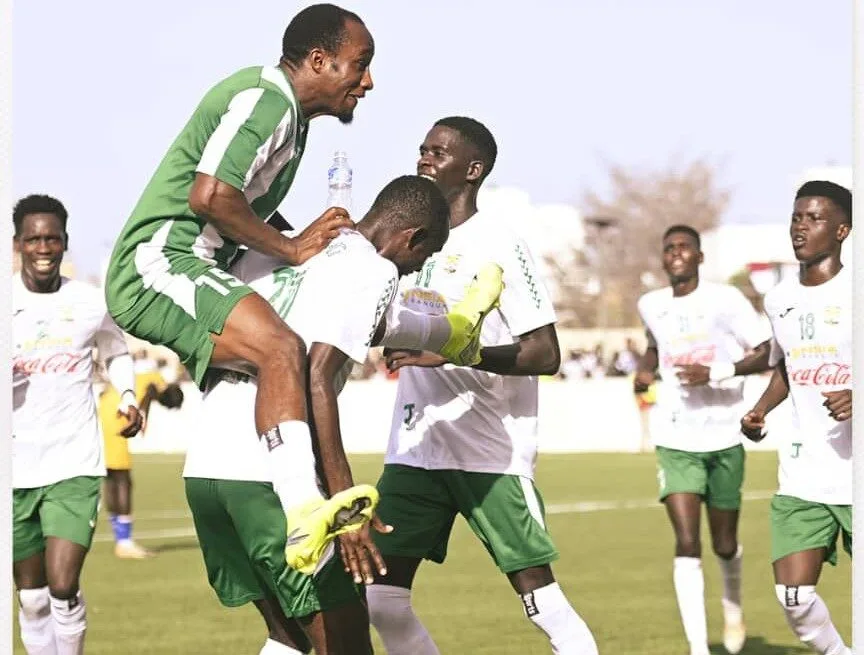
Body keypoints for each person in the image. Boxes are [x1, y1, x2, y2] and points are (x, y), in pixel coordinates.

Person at [103, 3, 378, 570]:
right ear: (319, 60)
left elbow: (242, 203)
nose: (368, 81)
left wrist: (302, 244)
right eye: (361, 63)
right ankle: (303, 510)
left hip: (199, 262)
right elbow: (210, 196)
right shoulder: (266, 99)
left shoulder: (291, 119)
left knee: (278, 355)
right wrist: (292, 248)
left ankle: (272, 508)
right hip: (160, 261)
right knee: (280, 348)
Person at [182, 175, 504, 655]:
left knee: (289, 636)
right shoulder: (373, 270)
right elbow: (317, 375)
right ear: (411, 237)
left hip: (206, 471)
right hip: (268, 478)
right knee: (349, 642)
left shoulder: (295, 248)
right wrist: (347, 507)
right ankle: (456, 330)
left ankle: (456, 329)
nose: (417, 269)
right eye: (425, 255)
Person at [365, 118, 597, 655]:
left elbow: (545, 353)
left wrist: (455, 352)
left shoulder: (499, 243)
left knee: (540, 600)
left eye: (438, 152)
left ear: (473, 170)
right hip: (415, 448)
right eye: (422, 149)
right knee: (381, 600)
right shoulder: (407, 241)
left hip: (489, 452)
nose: (424, 159)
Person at [633, 224, 773, 655]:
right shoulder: (651, 304)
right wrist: (645, 368)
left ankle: (733, 607)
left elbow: (768, 351)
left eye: (684, 247)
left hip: (725, 433)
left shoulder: (725, 300)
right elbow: (655, 342)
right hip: (676, 436)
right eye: (669, 248)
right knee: (687, 543)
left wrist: (716, 372)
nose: (676, 253)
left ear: (699, 257)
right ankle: (698, 647)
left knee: (724, 544)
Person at [12, 194, 143, 655]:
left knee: (63, 585)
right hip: (15, 470)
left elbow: (116, 351)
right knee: (31, 599)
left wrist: (128, 396)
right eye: (33, 240)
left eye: (52, 239)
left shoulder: (89, 302)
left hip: (75, 464)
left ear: (65, 242)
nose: (43, 248)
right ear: (18, 244)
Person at [740, 180, 852, 655]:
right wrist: (760, 409)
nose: (800, 228)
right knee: (794, 596)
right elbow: (787, 364)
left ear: (842, 230)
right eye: (796, 218)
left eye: (814, 218)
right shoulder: (779, 299)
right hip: (804, 472)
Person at [98, 369, 185, 559]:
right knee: (123, 480)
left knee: (112, 478)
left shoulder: (150, 375)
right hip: (117, 417)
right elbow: (149, 394)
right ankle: (125, 542)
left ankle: (120, 538)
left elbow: (147, 395)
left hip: (105, 412)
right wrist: (143, 417)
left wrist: (145, 418)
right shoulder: (157, 382)